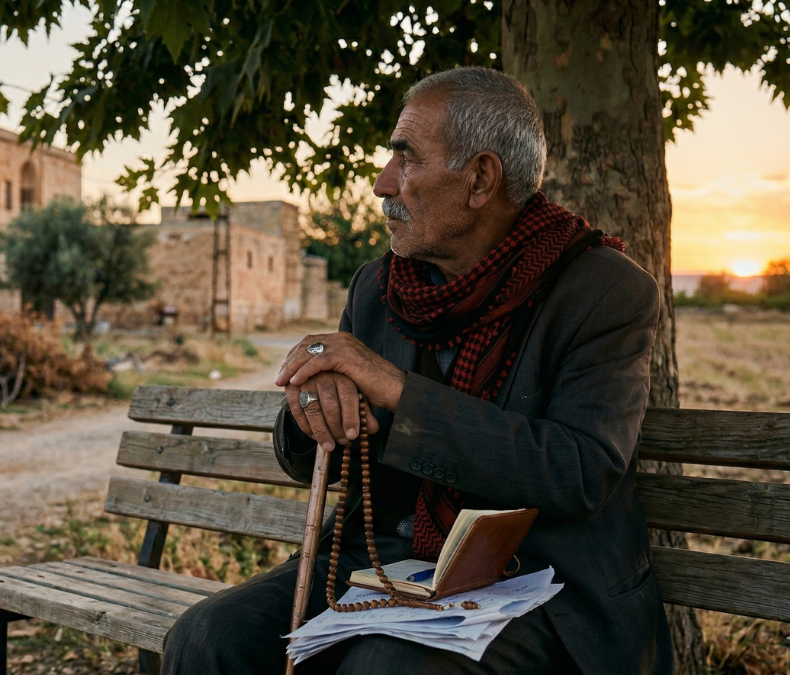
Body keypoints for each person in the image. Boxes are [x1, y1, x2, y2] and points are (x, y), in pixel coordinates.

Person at [161, 67, 673, 675]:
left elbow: (580, 471)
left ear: (480, 178)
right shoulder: (380, 287)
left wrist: (398, 391)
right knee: (205, 639)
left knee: (384, 669)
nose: (382, 184)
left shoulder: (601, 290)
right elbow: (308, 457)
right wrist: (312, 409)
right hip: (380, 563)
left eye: (407, 160)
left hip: (541, 585)